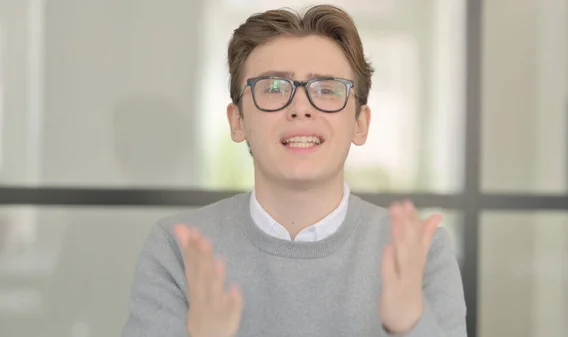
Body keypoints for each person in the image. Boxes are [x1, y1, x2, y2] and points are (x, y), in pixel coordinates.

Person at [122, 4, 466, 337]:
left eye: (327, 90)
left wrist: (409, 325)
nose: (300, 108)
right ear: (237, 120)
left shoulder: (422, 253)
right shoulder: (177, 249)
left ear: (360, 124)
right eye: (273, 88)